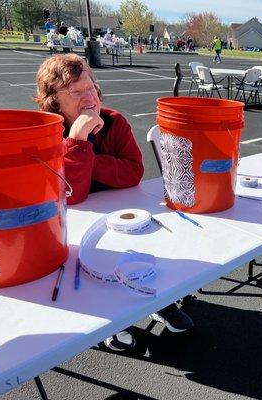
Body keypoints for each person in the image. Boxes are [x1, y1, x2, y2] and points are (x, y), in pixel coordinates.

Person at [34, 54, 194, 350]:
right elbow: (74, 194)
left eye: (91, 87)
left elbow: (133, 171)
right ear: (54, 100)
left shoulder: (113, 121)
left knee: (143, 245)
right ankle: (110, 319)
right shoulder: (46, 133)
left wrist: (88, 155)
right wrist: (77, 140)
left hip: (119, 214)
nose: (89, 97)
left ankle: (154, 299)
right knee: (92, 270)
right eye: (76, 91)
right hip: (71, 225)